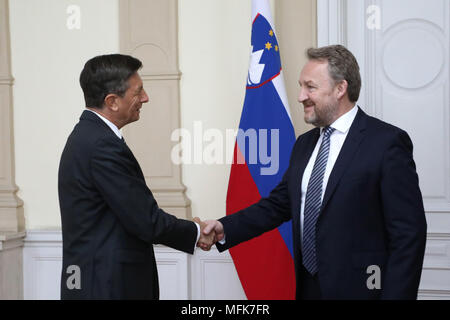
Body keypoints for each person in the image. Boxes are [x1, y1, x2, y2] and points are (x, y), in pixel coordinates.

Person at [200, 45, 427, 300]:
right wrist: (224, 227)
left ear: (340, 88)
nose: (300, 96)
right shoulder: (304, 144)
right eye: (300, 86)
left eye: (310, 87)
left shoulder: (386, 143)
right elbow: (278, 205)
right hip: (308, 288)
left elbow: (408, 235)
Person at [58, 54, 213, 299]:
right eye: (138, 91)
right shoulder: (101, 145)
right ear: (112, 101)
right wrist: (196, 232)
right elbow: (146, 221)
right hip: (106, 287)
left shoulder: (89, 136)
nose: (145, 98)